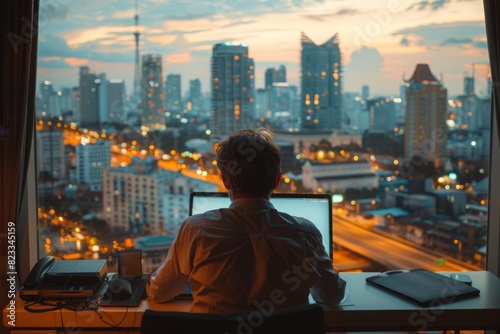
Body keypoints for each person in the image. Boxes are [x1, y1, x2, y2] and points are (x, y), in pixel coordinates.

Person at [146, 128, 346, 313]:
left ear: (225, 180)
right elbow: (332, 296)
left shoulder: (195, 230)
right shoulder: (305, 234)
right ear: (277, 180)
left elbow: (159, 292)